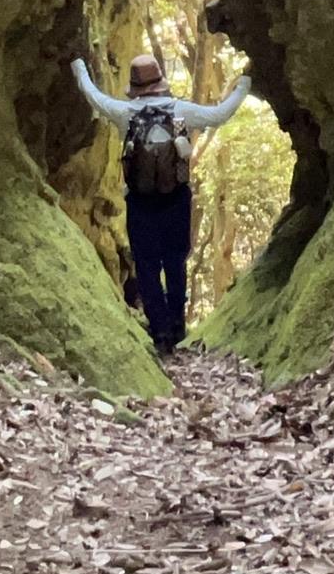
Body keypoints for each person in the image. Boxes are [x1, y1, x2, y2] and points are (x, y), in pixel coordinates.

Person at [71, 52, 251, 354]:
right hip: (176, 200)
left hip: (140, 203)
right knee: (175, 263)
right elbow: (221, 113)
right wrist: (245, 83)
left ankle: (159, 332)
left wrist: (78, 67)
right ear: (160, 82)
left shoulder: (124, 112)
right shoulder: (181, 111)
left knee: (147, 266)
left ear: (135, 87)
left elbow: (93, 97)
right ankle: (178, 327)